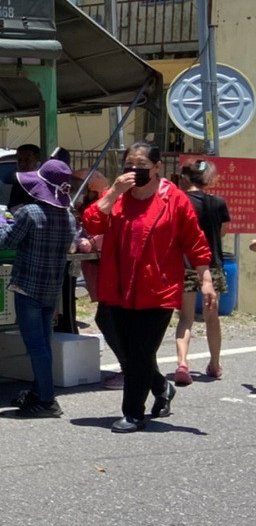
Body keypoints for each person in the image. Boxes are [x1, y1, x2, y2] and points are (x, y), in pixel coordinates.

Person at [82, 143, 215, 433]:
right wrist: (115, 191)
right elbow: (92, 223)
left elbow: (195, 242)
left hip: (157, 290)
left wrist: (206, 280)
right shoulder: (116, 197)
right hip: (116, 288)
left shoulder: (175, 200)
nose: (134, 171)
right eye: (129, 165)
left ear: (157, 168)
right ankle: (161, 387)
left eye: (141, 166)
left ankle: (133, 413)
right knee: (127, 349)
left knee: (141, 353)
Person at [0, 157, 76, 418]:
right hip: (52, 288)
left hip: (28, 287)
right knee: (44, 343)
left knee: (35, 345)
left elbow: (6, 241)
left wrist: (0, 223)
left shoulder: (29, 213)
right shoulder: (69, 218)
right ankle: (40, 392)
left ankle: (47, 400)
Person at [173, 160, 231, 385]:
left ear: (184, 177)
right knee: (212, 318)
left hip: (185, 265)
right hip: (212, 266)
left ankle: (182, 363)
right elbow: (223, 232)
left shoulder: (179, 201)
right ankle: (214, 364)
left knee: (185, 318)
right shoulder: (218, 203)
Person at [72, 169, 125, 388]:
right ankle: (135, 370)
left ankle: (131, 369)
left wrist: (89, 243)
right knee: (107, 318)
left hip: (112, 271)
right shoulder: (85, 206)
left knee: (110, 319)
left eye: (79, 187)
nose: (76, 191)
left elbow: (104, 235)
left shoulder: (108, 203)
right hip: (101, 271)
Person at [7, 143, 42, 210]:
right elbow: (11, 207)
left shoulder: (43, 183)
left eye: (27, 160)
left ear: (37, 161)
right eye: (19, 160)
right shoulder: (18, 184)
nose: (22, 164)